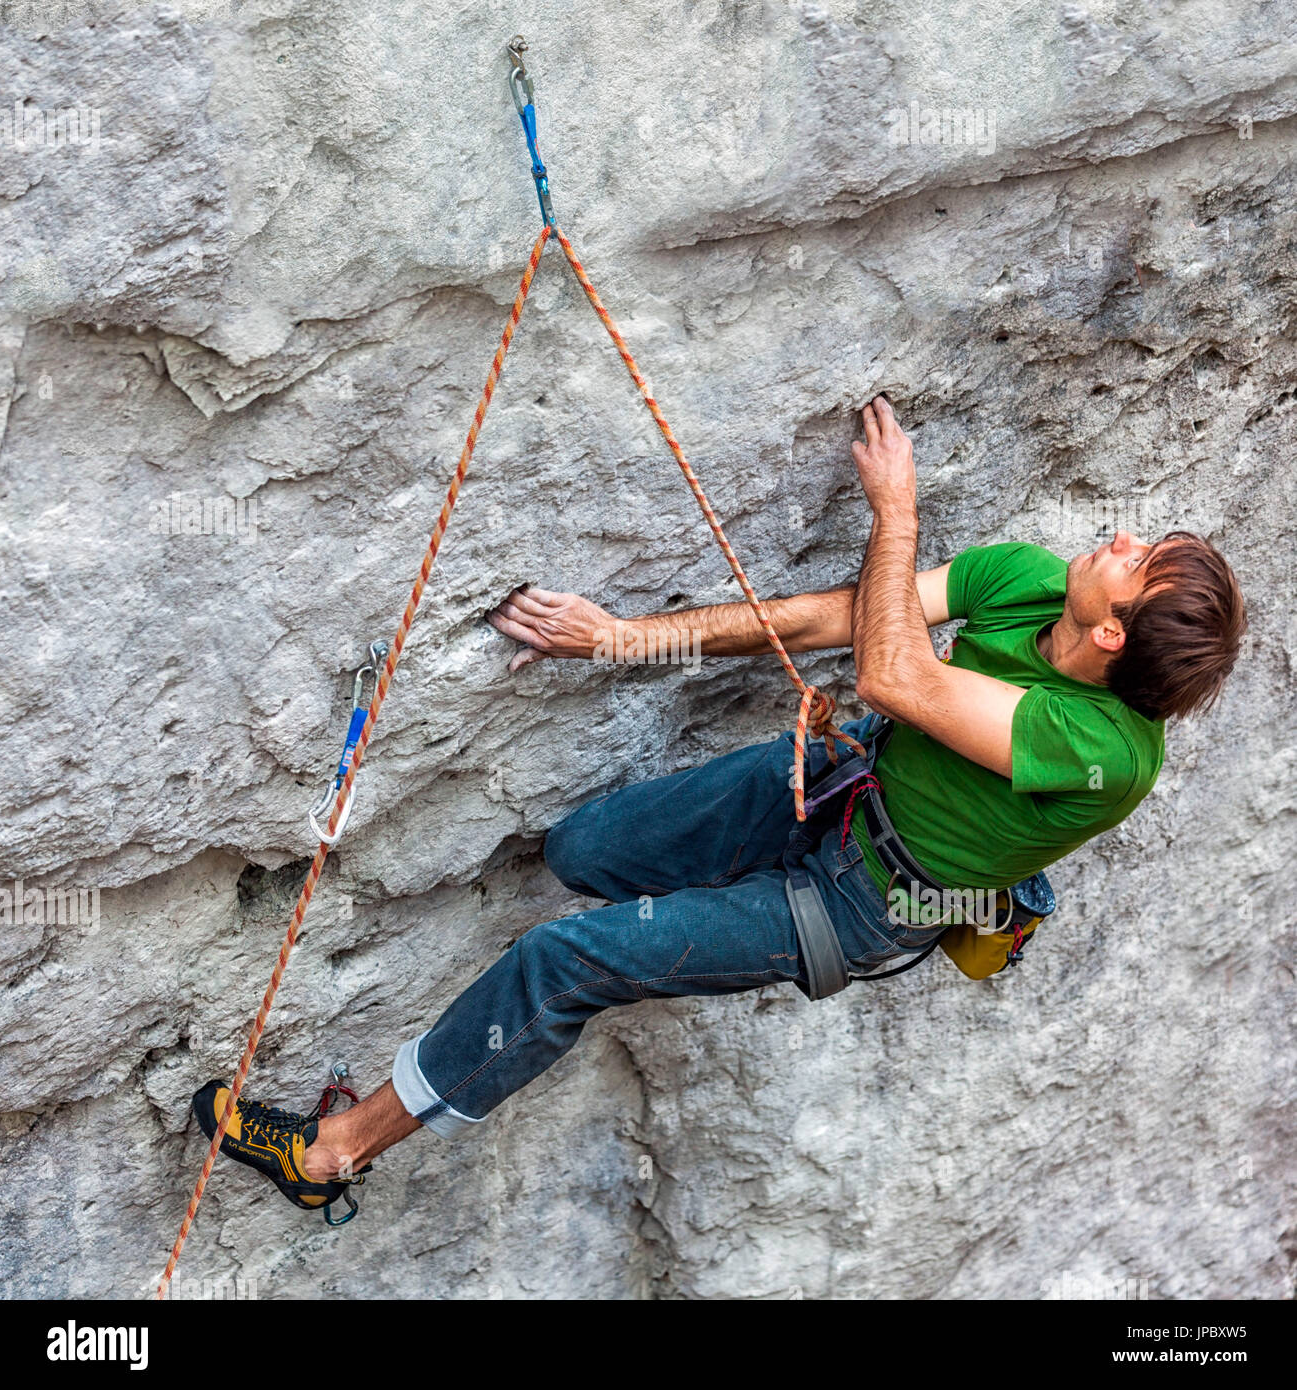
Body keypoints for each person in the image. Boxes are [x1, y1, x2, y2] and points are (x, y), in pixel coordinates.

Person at [194, 396, 1246, 1218]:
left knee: (564, 959)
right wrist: (624, 638)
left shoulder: (1104, 751)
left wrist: (897, 511)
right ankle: (666, 935)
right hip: (845, 786)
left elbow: (895, 677)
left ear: (1112, 637)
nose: (1118, 536)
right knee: (583, 846)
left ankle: (335, 1152)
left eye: (1136, 563)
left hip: (861, 904)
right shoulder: (1026, 582)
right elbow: (832, 619)